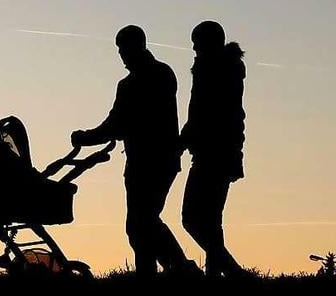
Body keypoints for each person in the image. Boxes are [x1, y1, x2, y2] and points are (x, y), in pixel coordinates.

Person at [71, 25, 198, 277]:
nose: (122, 55)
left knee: (143, 221)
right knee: (142, 222)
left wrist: (87, 138)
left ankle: (177, 268)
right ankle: (168, 269)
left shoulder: (146, 79)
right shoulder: (158, 75)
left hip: (154, 160)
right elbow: (119, 123)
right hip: (150, 160)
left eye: (123, 49)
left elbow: (119, 122)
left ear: (137, 46)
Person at [180, 21, 247, 278]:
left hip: (212, 152)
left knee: (194, 218)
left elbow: (203, 114)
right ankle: (220, 274)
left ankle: (231, 272)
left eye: (197, 43)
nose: (195, 49)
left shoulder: (213, 70)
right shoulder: (223, 69)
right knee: (209, 219)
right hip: (221, 150)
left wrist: (183, 140)